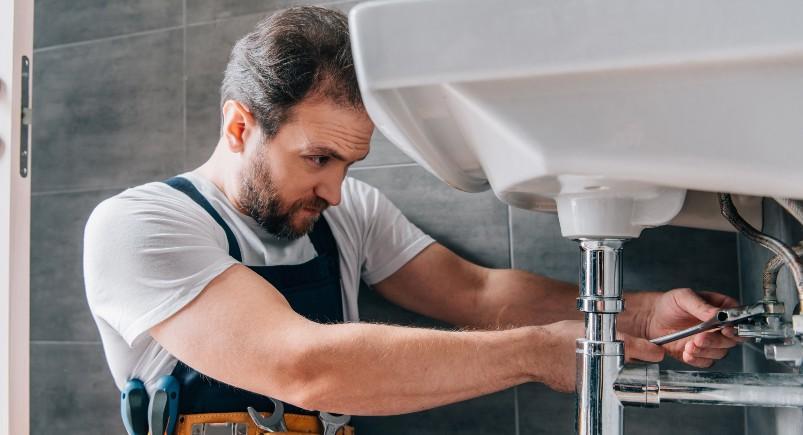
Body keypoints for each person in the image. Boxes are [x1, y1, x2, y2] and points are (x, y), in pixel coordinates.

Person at [83, 5, 739, 429]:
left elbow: (476, 292)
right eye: (317, 158)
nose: (336, 192)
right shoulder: (139, 227)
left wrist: (640, 312)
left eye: (348, 165)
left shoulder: (348, 211)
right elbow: (301, 366)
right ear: (238, 126)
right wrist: (536, 353)